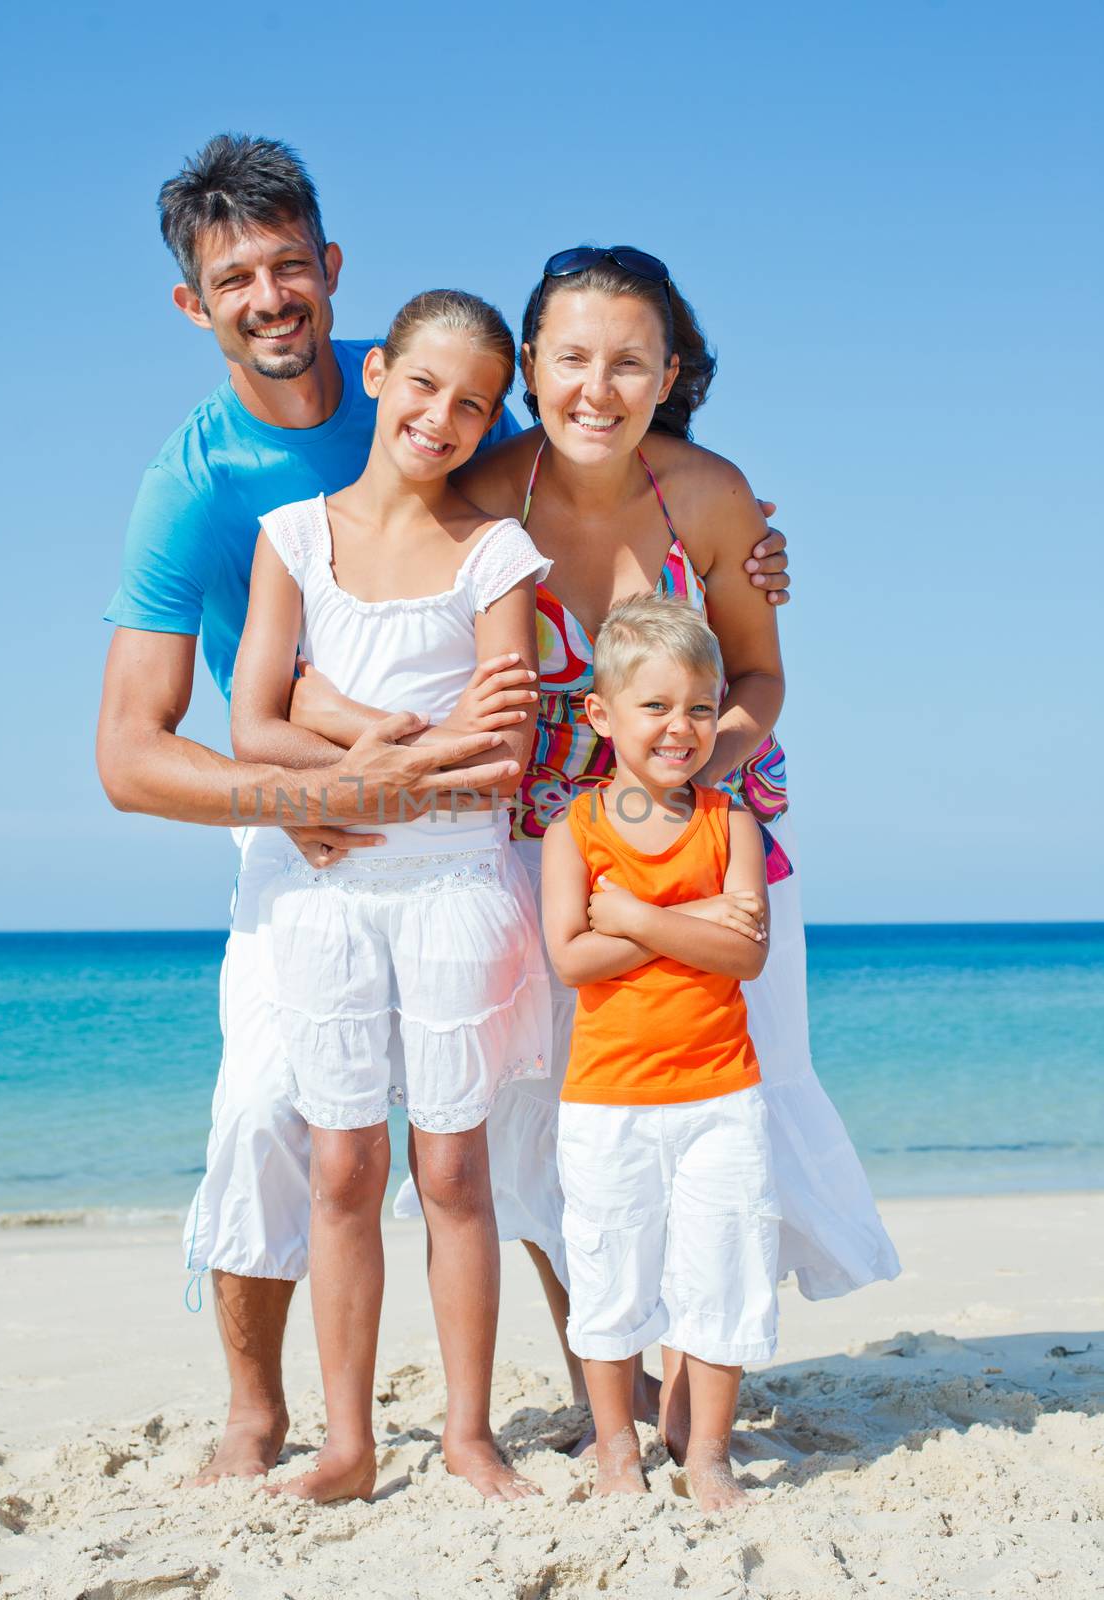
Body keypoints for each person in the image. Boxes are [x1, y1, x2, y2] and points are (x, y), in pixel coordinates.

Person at [97, 132, 792, 1489]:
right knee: (266, 1117)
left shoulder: (435, 399)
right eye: (235, 280)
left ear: (334, 277)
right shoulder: (195, 485)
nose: (269, 299)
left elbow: (603, 458)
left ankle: (605, 1386)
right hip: (298, 803)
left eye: (291, 267)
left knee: (510, 1114)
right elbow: (132, 751)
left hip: (462, 820)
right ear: (195, 304)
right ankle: (262, 1412)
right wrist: (319, 783)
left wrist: (747, 544)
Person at [402, 246, 898, 1428]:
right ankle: (602, 1373)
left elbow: (763, 675)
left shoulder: (714, 498)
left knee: (733, 1105)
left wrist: (674, 792)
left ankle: (691, 1373)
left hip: (712, 844)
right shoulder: (477, 492)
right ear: (529, 364)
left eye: (630, 361)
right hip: (532, 854)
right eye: (570, 357)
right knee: (554, 1123)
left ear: (668, 371)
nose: (597, 387)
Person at [231, 289, 552, 1503]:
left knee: (455, 1172)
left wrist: (342, 725)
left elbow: (501, 758)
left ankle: (469, 1434)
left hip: (456, 889)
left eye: (475, 403)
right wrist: (372, 737)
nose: (445, 417)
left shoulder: (497, 555)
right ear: (378, 377)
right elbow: (253, 721)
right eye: (424, 386)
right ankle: (349, 1443)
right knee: (341, 1168)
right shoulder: (293, 537)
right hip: (327, 895)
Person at [541, 595, 778, 1509]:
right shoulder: (576, 831)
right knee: (609, 1271)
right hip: (607, 1102)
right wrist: (693, 922)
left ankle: (708, 1452)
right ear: (601, 715)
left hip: (722, 1095)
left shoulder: (732, 825)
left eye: (698, 707)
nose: (679, 728)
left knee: (723, 1266)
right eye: (655, 706)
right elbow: (572, 957)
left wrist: (639, 917)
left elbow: (746, 953)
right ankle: (615, 1451)